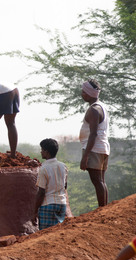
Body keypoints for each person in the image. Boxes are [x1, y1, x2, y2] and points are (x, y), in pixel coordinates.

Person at [79, 79, 110, 207]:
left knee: (97, 181)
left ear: (88, 93)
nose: (82, 93)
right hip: (102, 148)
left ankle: (102, 209)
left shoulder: (93, 110)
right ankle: (105, 208)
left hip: (94, 149)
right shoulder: (101, 106)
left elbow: (93, 134)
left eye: (83, 91)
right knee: (101, 180)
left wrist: (85, 156)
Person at [34, 138, 73, 230]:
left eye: (42, 150)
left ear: (47, 152)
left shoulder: (43, 168)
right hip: (61, 204)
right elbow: (65, 186)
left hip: (48, 205)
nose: (41, 152)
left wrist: (34, 211)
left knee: (46, 234)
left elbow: (41, 192)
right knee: (57, 233)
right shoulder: (63, 166)